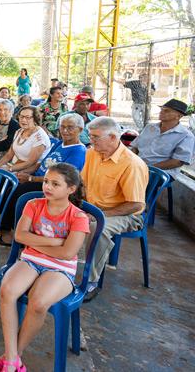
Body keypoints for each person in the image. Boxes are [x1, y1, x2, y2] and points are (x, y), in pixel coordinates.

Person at [0, 163, 90, 372]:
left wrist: (35, 242)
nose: (48, 187)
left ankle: (13, 357)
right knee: (7, 290)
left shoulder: (78, 217)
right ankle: (12, 358)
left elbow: (67, 254)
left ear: (71, 189)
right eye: (46, 181)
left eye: (55, 184)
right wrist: (55, 242)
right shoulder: (33, 204)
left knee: (38, 303)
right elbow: (19, 236)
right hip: (30, 260)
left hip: (60, 269)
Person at [80, 116, 149, 301]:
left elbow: (136, 204)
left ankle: (90, 281)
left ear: (112, 137)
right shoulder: (92, 153)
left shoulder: (131, 164)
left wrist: (99, 215)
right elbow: (83, 183)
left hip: (127, 214)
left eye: (95, 137)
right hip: (95, 206)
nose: (91, 140)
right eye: (90, 136)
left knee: (97, 227)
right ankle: (52, 266)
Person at [0, 114, 87, 245]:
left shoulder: (78, 151)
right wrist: (25, 173)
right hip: (40, 178)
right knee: (6, 181)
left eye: (70, 127)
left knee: (19, 191)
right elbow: (41, 164)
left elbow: (63, 179)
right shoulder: (59, 143)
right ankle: (2, 222)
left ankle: (11, 231)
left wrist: (31, 179)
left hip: (53, 185)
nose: (65, 131)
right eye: (62, 127)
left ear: (80, 129)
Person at [131, 98, 195, 183]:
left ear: (179, 116)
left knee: (131, 181)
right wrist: (132, 160)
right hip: (138, 167)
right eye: (161, 109)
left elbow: (177, 162)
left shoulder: (186, 136)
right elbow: (135, 147)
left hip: (161, 172)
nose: (161, 112)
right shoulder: (149, 127)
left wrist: (148, 168)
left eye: (166, 111)